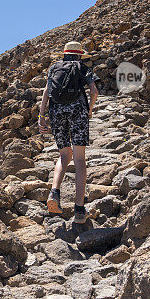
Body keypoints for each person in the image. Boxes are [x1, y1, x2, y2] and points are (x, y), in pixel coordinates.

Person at [38, 41, 99, 223]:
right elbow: (94, 91)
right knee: (79, 158)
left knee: (64, 154)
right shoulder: (82, 67)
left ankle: (54, 192)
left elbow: (46, 92)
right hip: (78, 110)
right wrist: (89, 110)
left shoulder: (54, 67)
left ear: (64, 54)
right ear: (80, 55)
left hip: (56, 111)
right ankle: (79, 210)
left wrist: (41, 116)